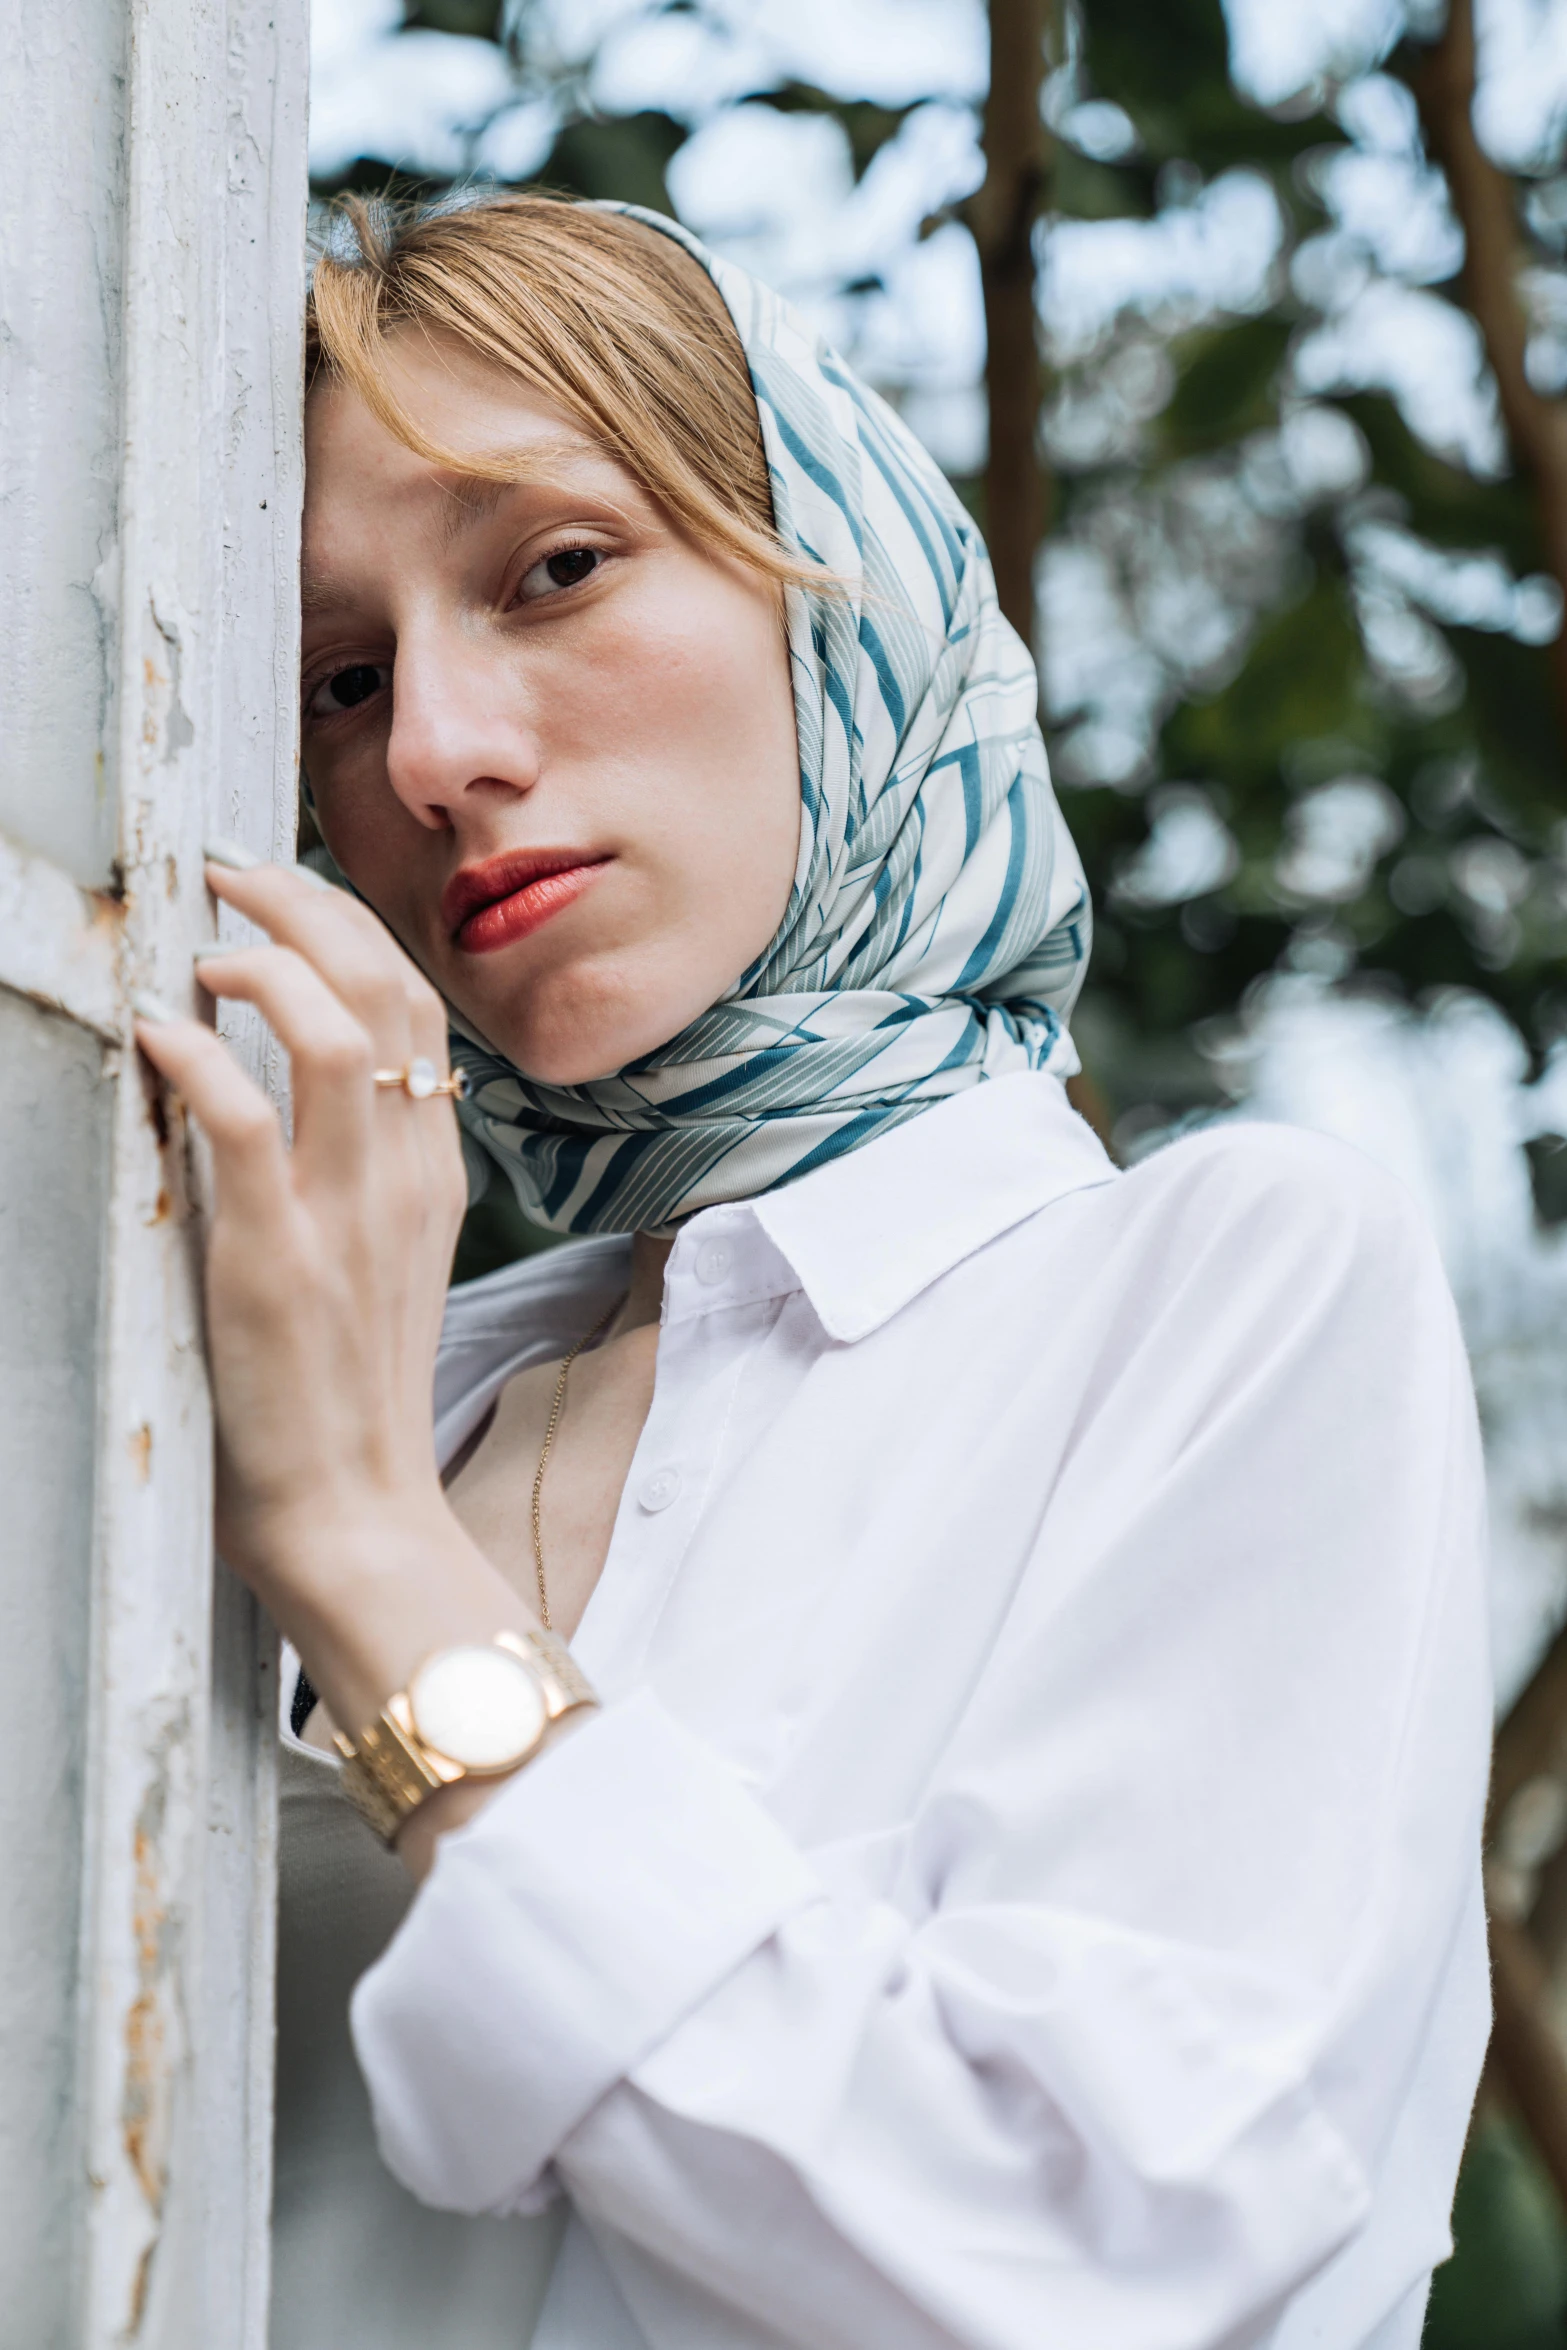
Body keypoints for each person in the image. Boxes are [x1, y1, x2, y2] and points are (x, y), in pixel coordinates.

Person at [132, 195, 1491, 2350]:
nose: (428, 754)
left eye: (552, 568)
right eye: (340, 677)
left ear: (832, 578)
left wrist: (367, 1554)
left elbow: (1105, 2266)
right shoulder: (375, 1385)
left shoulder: (1217, 1292)